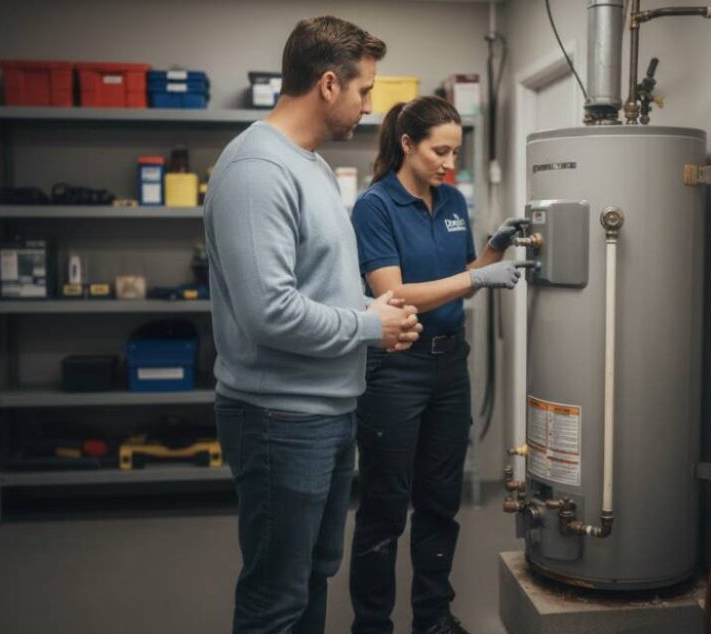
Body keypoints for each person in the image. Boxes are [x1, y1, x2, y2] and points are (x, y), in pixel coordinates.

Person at [204, 16, 423, 634]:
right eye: (364, 90)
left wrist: (377, 317)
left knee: (312, 576)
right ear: (329, 84)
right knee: (277, 596)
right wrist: (365, 327)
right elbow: (268, 312)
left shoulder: (314, 167)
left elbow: (321, 284)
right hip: (278, 418)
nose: (369, 105)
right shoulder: (256, 171)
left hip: (325, 411)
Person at [349, 96, 532, 634]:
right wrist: (476, 279)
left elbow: (463, 272)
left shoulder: (452, 200)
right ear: (407, 144)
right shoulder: (375, 206)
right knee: (385, 508)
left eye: (454, 151)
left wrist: (492, 252)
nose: (447, 162)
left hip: (450, 367)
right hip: (396, 367)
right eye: (439, 150)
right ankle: (372, 626)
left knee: (439, 502)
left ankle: (433, 618)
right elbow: (396, 294)